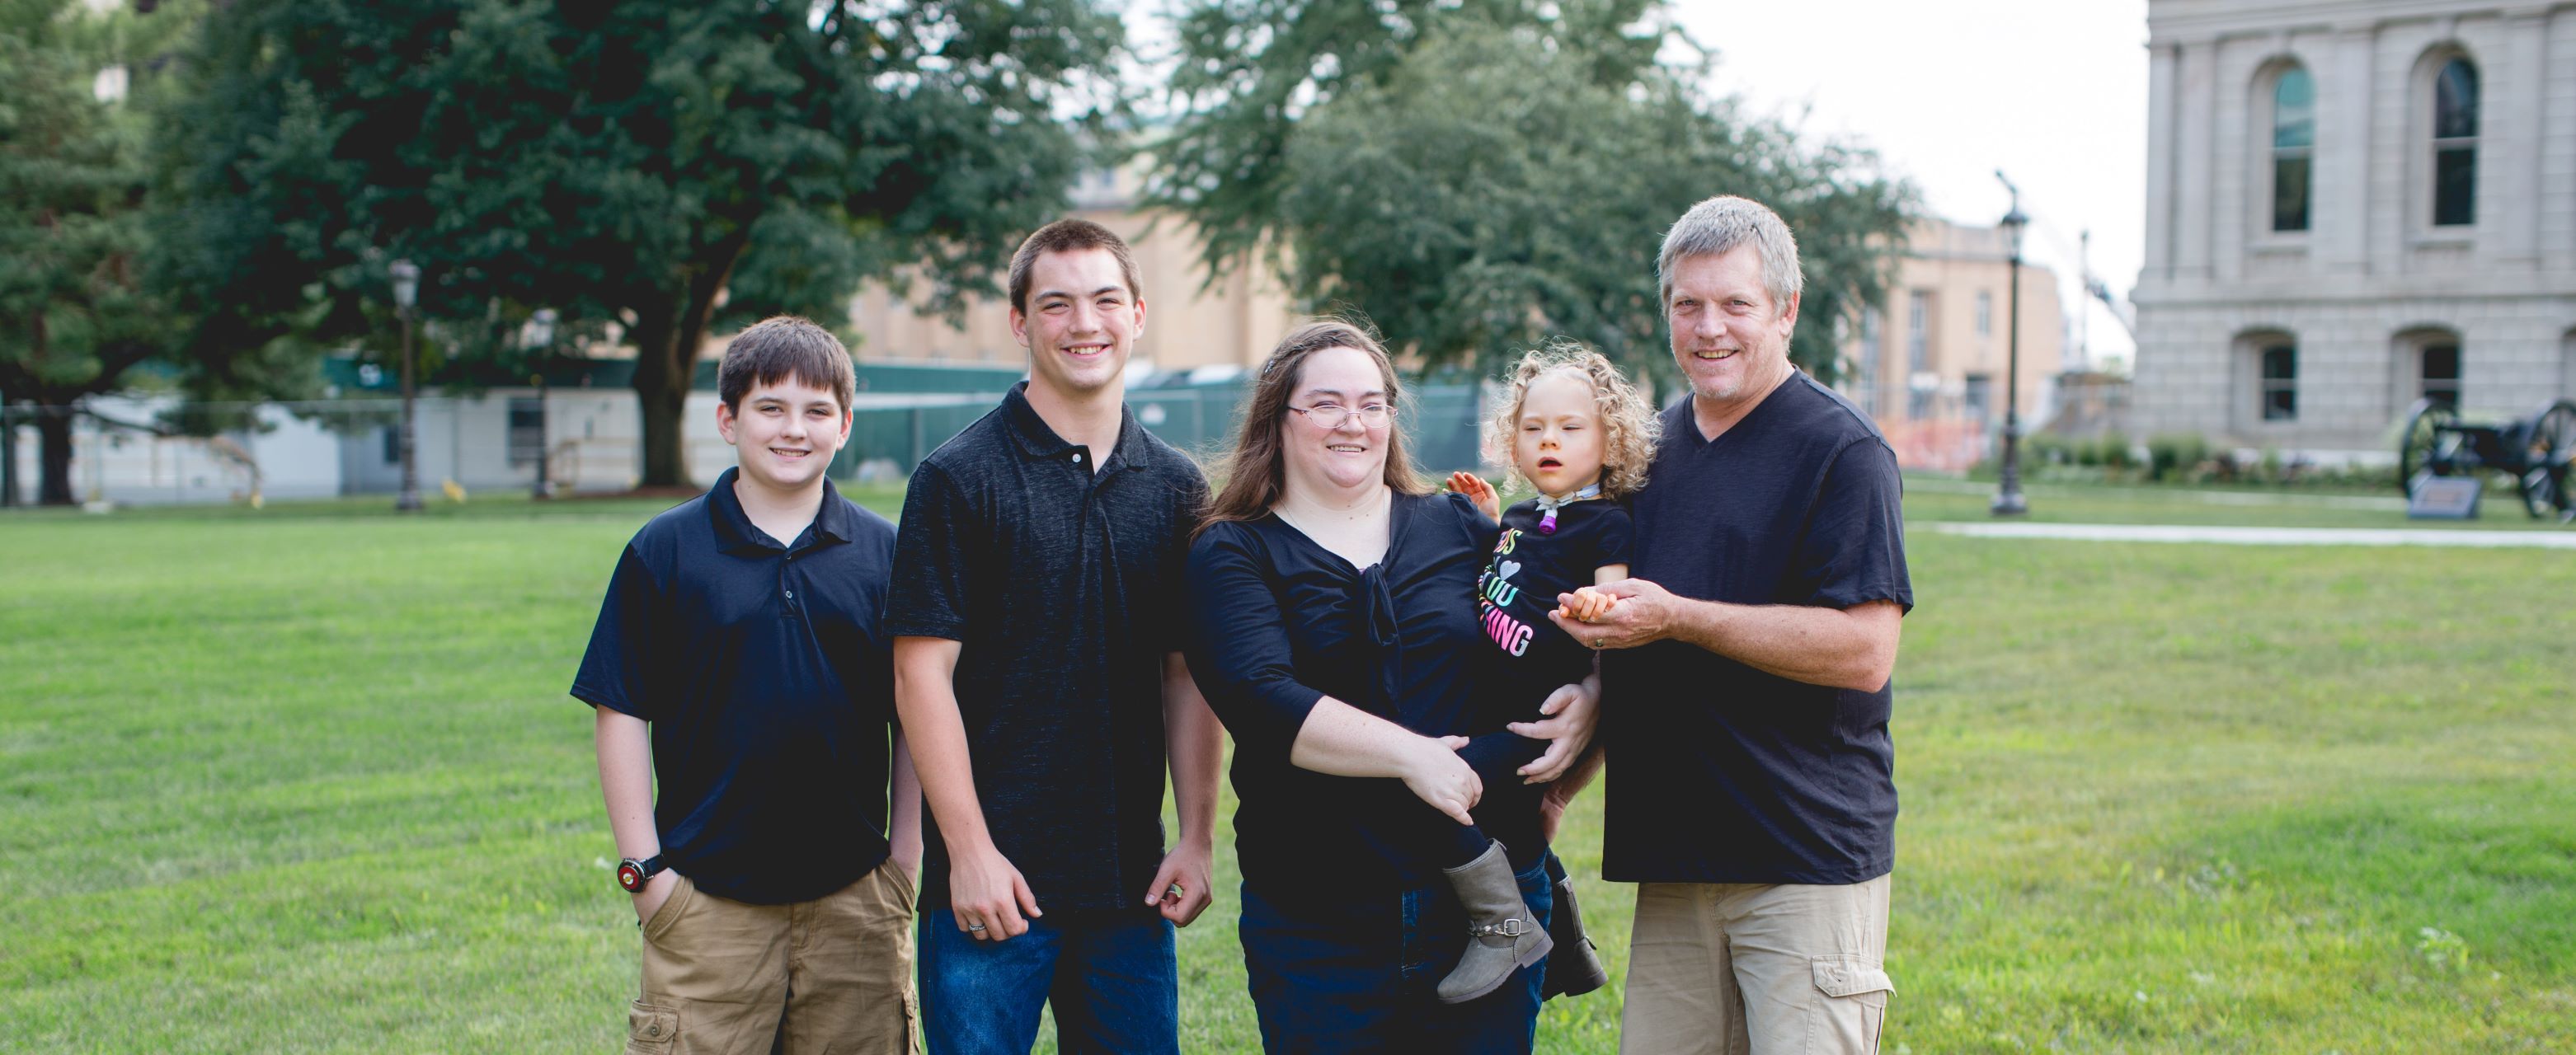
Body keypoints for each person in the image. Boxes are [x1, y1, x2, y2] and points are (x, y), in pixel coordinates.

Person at [1548, 195, 1911, 1055]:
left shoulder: (1841, 451)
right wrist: (1570, 766)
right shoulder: (1644, 452)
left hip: (1803, 855)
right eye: (1687, 304)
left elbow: (1865, 650)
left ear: (1785, 310)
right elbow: (1628, 637)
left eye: (1735, 304)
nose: (1709, 327)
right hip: (1674, 858)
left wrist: (1679, 616)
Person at [1184, 320, 1601, 1052]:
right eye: (1327, 404)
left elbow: (1548, 631)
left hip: (1490, 908)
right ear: (1276, 419)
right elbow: (1259, 694)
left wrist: (1593, 697)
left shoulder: (1457, 528)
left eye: (1373, 404)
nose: (1354, 423)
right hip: (1320, 919)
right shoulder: (1233, 549)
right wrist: (1414, 755)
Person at [887, 218, 1221, 1054]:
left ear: (1138, 314)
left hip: (1128, 885)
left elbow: (1186, 674)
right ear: (1019, 321)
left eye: (1106, 300)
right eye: (1057, 303)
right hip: (992, 887)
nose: (1085, 324)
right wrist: (966, 851)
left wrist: (1195, 834)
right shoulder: (957, 478)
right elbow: (919, 677)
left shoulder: (1178, 486)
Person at [571, 316, 922, 1054]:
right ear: (728, 420)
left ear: (845, 425)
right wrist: (648, 874)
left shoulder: (887, 554)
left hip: (856, 902)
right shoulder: (665, 551)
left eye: (817, 410)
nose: (794, 429)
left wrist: (905, 861)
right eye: (771, 407)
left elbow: (916, 713)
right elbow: (621, 708)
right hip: (704, 905)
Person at [1438, 342, 1660, 1003]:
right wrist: (1483, 526)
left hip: (1540, 717)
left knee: (1435, 793)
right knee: (1514, 830)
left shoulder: (1606, 525)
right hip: (1490, 703)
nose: (1549, 441)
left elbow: (1617, 602)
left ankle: (1502, 926)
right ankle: (1569, 950)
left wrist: (1600, 603)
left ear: (1610, 440)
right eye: (1533, 428)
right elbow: (1508, 575)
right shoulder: (1520, 514)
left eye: (1570, 428)